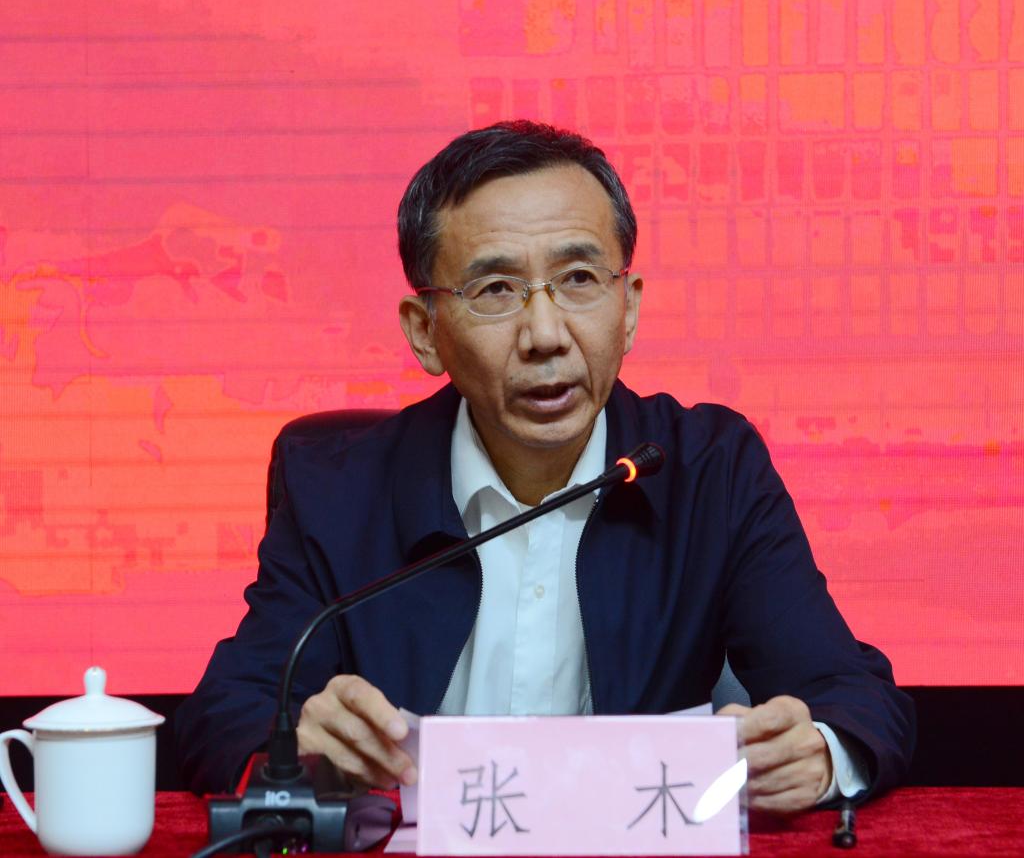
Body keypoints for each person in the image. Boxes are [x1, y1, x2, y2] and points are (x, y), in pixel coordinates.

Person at [175, 121, 915, 814]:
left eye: (580, 279)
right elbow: (225, 715)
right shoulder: (337, 489)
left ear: (628, 308)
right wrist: (296, 746)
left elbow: (852, 695)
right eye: (496, 290)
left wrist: (817, 754)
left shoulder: (707, 470)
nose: (545, 334)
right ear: (425, 332)